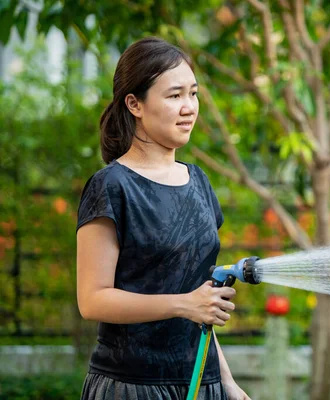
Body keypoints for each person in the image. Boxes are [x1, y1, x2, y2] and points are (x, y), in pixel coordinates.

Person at [76, 37, 250, 400]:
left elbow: (202, 301)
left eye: (194, 94)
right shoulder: (111, 186)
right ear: (134, 104)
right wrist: (182, 304)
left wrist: (228, 381)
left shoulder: (199, 181)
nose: (189, 108)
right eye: (174, 96)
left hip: (202, 382)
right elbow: (92, 300)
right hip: (131, 387)